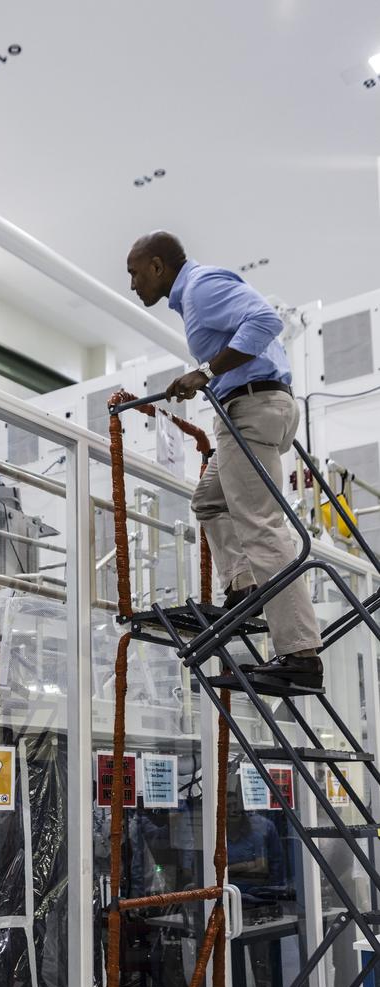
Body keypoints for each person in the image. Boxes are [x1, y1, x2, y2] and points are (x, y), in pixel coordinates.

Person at [126, 231, 323, 691]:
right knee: (208, 501)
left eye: (135, 273)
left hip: (250, 409)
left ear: (157, 266)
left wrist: (206, 371)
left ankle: (299, 654)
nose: (133, 285)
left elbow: (266, 321)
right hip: (257, 408)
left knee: (260, 525)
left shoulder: (201, 287)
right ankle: (245, 585)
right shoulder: (194, 295)